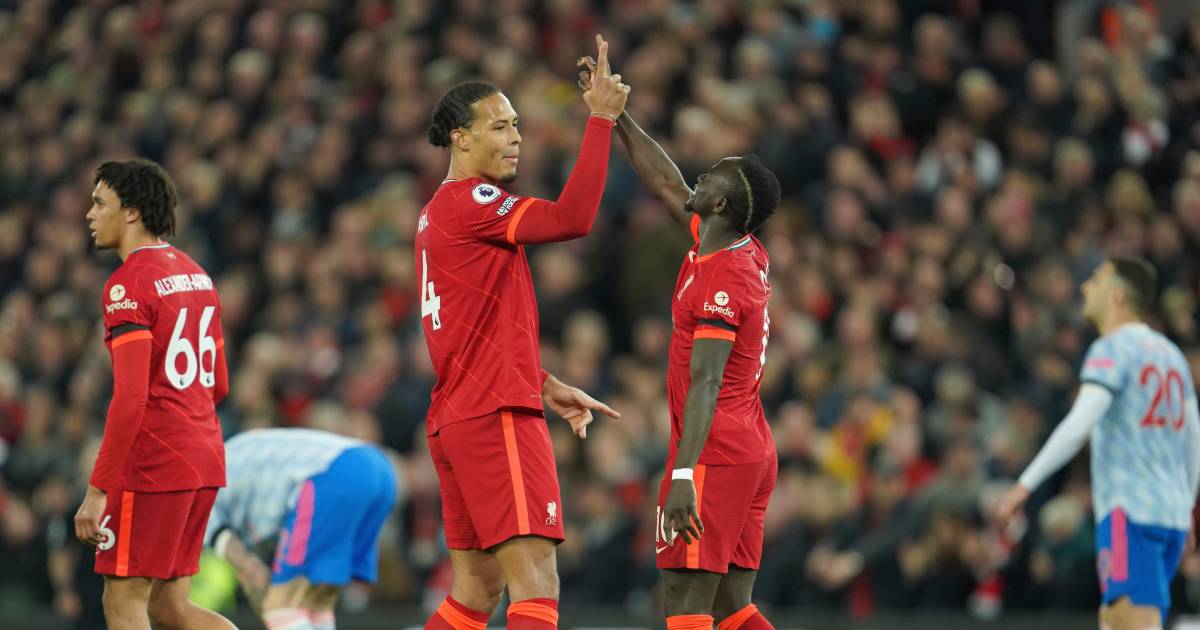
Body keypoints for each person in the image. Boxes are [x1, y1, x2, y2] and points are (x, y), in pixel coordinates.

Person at [416, 35, 627, 630]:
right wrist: (601, 121)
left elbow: (472, 330)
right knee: (536, 582)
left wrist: (542, 380)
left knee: (476, 589)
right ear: (461, 139)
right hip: (494, 415)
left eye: (517, 126)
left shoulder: (436, 213)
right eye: (500, 126)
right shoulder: (473, 202)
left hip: (460, 413)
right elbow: (572, 218)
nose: (515, 138)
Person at [577, 56, 782, 630]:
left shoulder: (721, 280)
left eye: (712, 175)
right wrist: (617, 116)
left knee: (685, 602)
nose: (701, 176)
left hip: (715, 451)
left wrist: (685, 475)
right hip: (749, 444)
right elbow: (667, 183)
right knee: (732, 606)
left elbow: (706, 380)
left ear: (720, 205)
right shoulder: (727, 244)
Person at [73, 159, 236, 630]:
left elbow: (131, 397)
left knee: (124, 602)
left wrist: (97, 490)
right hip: (204, 458)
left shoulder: (128, 284)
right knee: (170, 608)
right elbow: (219, 384)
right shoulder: (197, 275)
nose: (89, 214)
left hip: (155, 465)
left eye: (99, 203)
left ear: (131, 212)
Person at [996, 257, 1200, 630]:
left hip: (1130, 513)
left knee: (1132, 623)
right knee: (1112, 619)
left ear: (1118, 295)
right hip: (1169, 516)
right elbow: (1192, 437)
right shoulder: (1172, 355)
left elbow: (1078, 425)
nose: (1085, 287)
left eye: (1096, 280)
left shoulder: (1111, 349)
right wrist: (1186, 507)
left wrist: (1024, 485)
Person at [204, 428, 398, 630]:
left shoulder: (194, 492)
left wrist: (262, 591)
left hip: (333, 475)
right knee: (317, 602)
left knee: (280, 606)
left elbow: (250, 569)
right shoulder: (223, 458)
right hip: (379, 468)